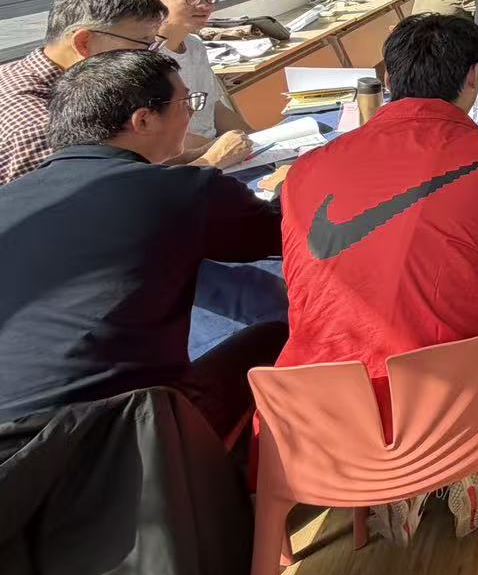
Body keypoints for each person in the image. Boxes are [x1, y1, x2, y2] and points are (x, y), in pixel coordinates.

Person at [275, 14, 478, 538]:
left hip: (325, 399)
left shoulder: (307, 168)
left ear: (388, 80)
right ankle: (460, 465)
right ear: (474, 77)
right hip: (466, 384)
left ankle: (413, 480)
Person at [0, 50, 282, 436]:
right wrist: (292, 187)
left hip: (14, 442)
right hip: (119, 435)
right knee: (278, 332)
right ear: (144, 120)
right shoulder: (180, 191)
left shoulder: (11, 200)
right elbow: (286, 234)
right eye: (187, 102)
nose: (190, 114)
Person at [0, 0, 168, 184]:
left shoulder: (19, 71)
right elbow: (85, 196)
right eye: (144, 45)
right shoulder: (44, 130)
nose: (151, 57)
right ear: (83, 43)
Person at [136, 0, 251, 163]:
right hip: (186, 163)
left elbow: (215, 109)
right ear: (153, 1)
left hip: (218, 152)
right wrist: (218, 150)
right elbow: (157, 139)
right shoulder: (141, 59)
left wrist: (259, 141)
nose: (205, 5)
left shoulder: (195, 45)